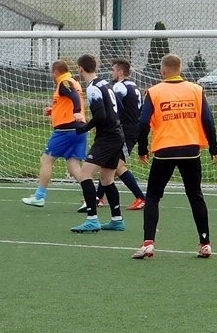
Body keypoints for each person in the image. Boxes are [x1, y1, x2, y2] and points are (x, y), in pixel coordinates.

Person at [133, 53, 217, 259]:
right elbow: (208, 120)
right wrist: (214, 149)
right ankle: (205, 243)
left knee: (153, 196)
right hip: (190, 150)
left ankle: (148, 244)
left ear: (163, 71)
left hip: (165, 150)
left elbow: (143, 122)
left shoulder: (154, 92)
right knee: (195, 195)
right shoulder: (196, 90)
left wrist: (142, 149)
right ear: (180, 69)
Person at [80, 58, 147, 213]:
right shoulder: (134, 86)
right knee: (110, 167)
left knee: (116, 166)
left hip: (123, 131)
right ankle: (99, 197)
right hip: (132, 129)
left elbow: (113, 107)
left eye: (113, 70)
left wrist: (107, 124)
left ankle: (140, 197)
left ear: (120, 72)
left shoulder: (119, 87)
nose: (112, 73)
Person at [69, 54, 126, 233]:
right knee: (107, 179)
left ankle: (92, 219)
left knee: (84, 174)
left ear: (80, 69)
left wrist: (84, 128)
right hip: (117, 135)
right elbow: (120, 107)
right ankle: (117, 219)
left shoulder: (93, 87)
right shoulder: (105, 84)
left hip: (107, 137)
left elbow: (101, 114)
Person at [21, 60, 86, 207]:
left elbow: (74, 97)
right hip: (78, 129)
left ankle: (39, 196)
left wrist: (76, 112)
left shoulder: (64, 82)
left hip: (66, 130)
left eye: (52, 73)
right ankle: (91, 197)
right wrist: (54, 110)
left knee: (46, 160)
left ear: (56, 72)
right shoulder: (74, 82)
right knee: (73, 166)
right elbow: (68, 102)